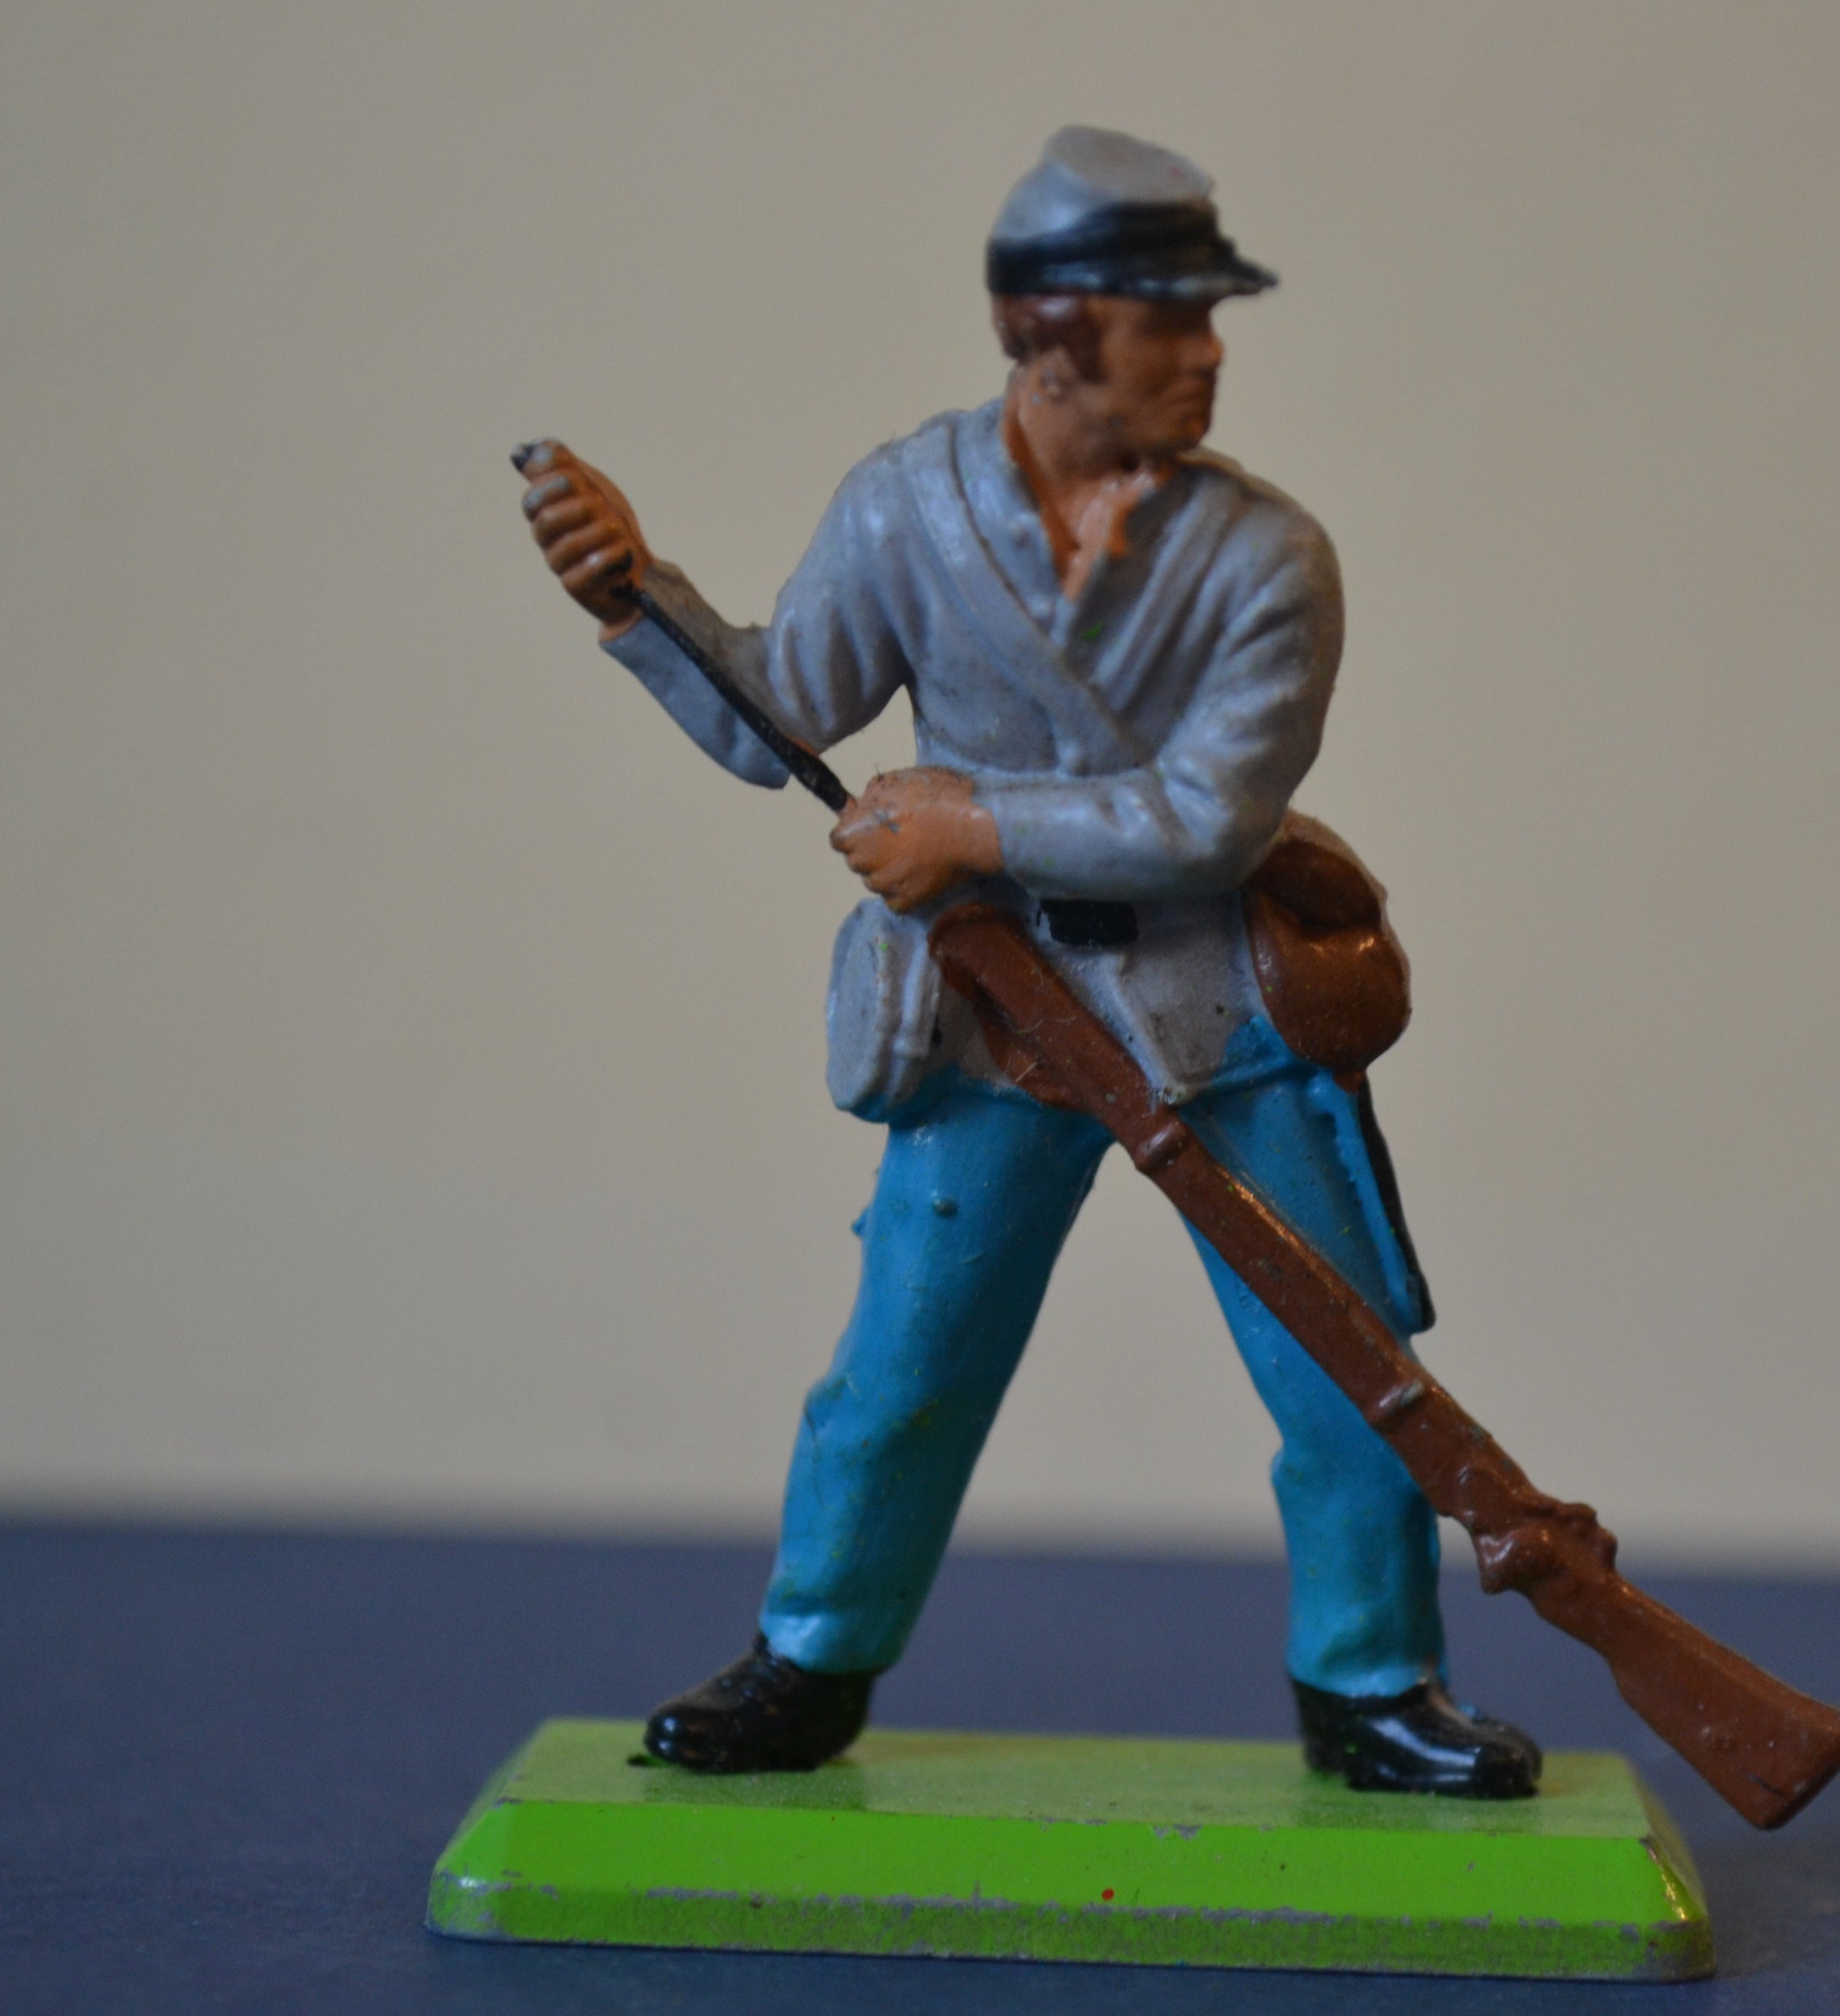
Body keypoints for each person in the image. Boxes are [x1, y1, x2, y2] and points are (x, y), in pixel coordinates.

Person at [517, 127, 1538, 1797]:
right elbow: (779, 721)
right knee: (905, 1369)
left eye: (1205, 315)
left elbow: (1209, 818)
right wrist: (637, 602)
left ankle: (1370, 1680)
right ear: (1048, 334)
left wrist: (969, 823)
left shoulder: (1267, 559)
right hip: (995, 1015)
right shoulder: (902, 509)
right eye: (1164, 316)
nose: (1205, 351)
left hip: (1221, 1014)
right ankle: (812, 1655)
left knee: (1345, 1366)